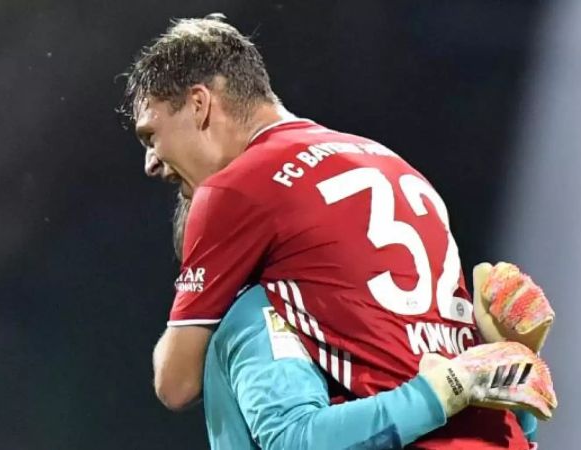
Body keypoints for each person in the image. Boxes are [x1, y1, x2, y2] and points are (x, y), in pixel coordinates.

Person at [121, 14, 556, 449]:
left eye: (150, 136)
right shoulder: (391, 163)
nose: (151, 163)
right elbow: (439, 364)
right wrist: (511, 354)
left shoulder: (237, 194)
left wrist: (448, 388)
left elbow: (177, 386)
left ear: (199, 103)